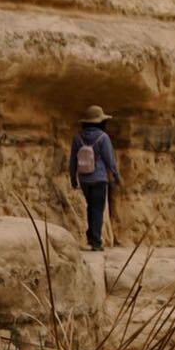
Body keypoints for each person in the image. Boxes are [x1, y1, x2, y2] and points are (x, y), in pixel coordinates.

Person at [69, 104, 119, 252]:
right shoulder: (103, 138)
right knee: (98, 209)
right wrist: (116, 175)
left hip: (84, 178)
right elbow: (109, 159)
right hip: (99, 178)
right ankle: (96, 242)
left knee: (90, 207)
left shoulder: (77, 137)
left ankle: (91, 237)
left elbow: (73, 159)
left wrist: (73, 177)